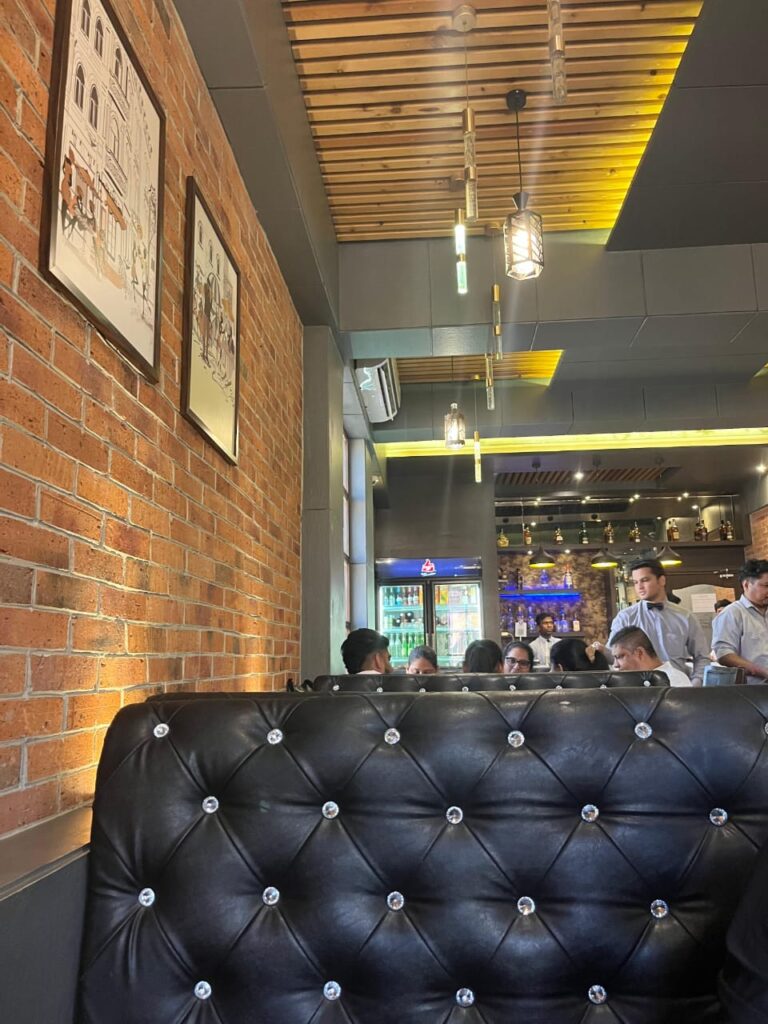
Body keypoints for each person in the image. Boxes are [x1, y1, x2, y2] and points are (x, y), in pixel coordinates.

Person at [608, 558, 708, 685]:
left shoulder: (686, 617)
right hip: (638, 686)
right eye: (635, 582)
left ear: (661, 580)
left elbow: (702, 657)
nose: (639, 587)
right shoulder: (625, 617)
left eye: (645, 580)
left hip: (677, 685)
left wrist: (695, 684)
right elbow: (613, 654)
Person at [712, 559, 768, 684]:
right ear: (746, 585)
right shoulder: (732, 613)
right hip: (753, 688)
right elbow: (724, 654)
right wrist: (761, 671)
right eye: (766, 586)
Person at [610, 626, 692, 686]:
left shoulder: (674, 680)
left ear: (639, 653)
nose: (615, 665)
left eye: (619, 657)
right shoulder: (634, 680)